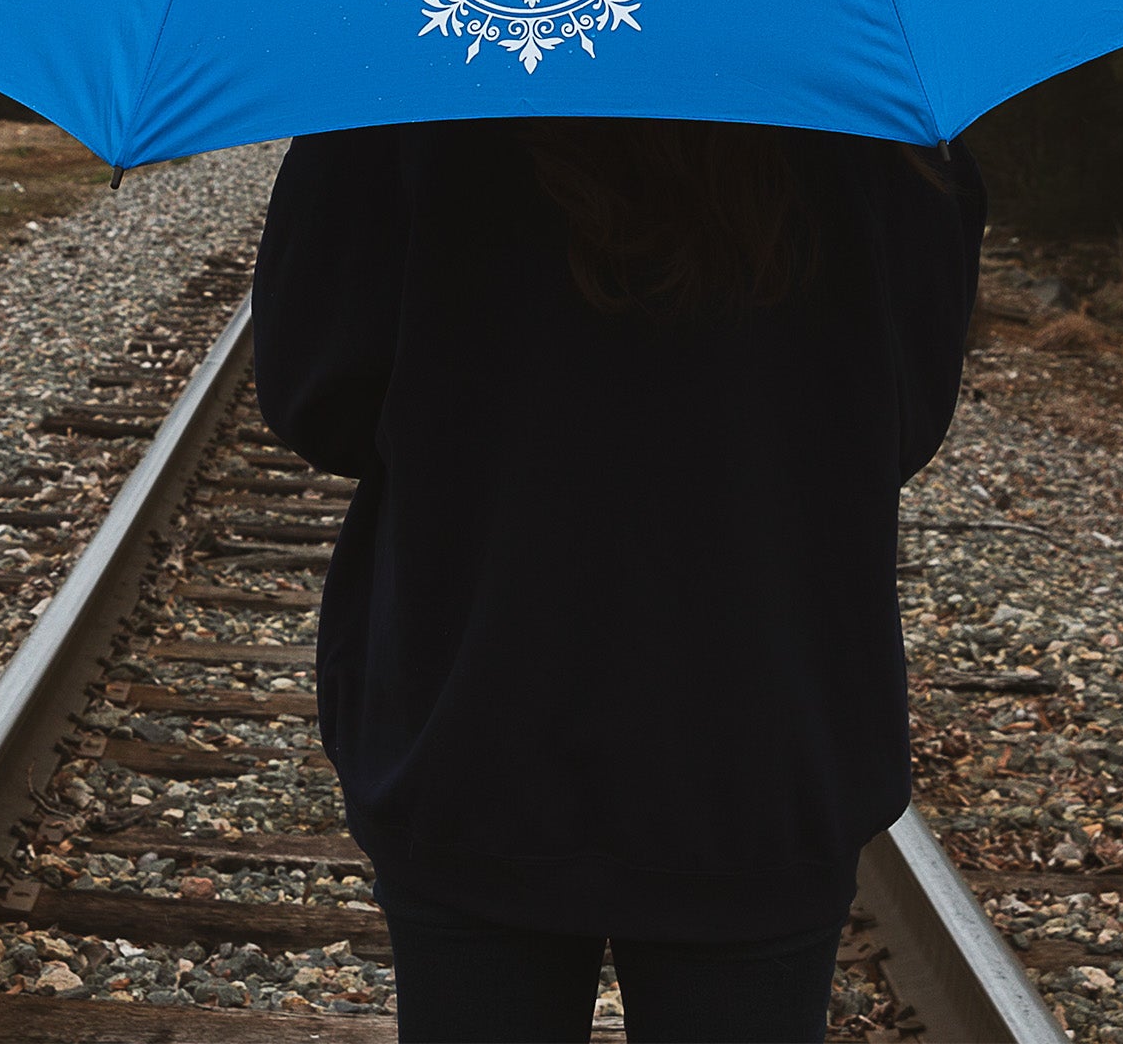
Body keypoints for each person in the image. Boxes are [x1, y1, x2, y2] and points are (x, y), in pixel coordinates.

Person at [254, 116, 985, 1043]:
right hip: (761, 740)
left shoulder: (411, 89)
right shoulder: (878, 108)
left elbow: (318, 395)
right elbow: (903, 416)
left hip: (475, 720)